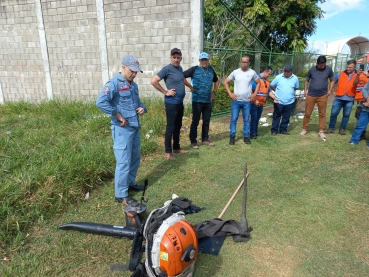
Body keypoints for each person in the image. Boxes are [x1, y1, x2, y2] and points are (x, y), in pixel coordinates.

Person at [96, 55, 147, 205]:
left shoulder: (133, 86)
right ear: (123, 67)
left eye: (136, 72)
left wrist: (142, 108)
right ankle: (121, 194)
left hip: (134, 126)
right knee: (123, 162)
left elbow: (138, 102)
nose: (134, 74)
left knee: (135, 158)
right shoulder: (113, 84)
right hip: (122, 129)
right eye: (132, 71)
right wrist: (118, 115)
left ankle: (130, 183)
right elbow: (100, 102)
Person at [151, 48, 188, 160]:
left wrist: (190, 87)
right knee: (170, 127)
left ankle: (176, 148)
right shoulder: (167, 69)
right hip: (171, 103)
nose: (176, 59)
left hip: (179, 103)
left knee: (178, 126)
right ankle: (168, 152)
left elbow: (182, 81)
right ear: (171, 58)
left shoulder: (180, 68)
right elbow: (154, 81)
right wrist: (165, 92)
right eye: (174, 57)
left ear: (181, 58)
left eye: (178, 57)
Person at [183, 52, 219, 148]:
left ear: (208, 60)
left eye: (205, 60)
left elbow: (216, 80)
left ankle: (205, 139)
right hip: (197, 101)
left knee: (206, 121)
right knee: (195, 121)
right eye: (202, 60)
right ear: (199, 61)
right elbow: (182, 76)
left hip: (207, 101)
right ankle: (193, 141)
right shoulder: (194, 69)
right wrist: (190, 86)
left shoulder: (211, 70)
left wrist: (214, 92)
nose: (204, 61)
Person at [223, 55, 260, 145]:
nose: (244, 64)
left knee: (246, 119)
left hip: (247, 101)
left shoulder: (252, 72)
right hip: (236, 101)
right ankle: (232, 137)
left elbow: (259, 82)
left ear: (249, 63)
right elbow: (225, 82)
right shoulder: (235, 72)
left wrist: (254, 94)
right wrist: (230, 93)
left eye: (246, 62)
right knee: (234, 119)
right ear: (240, 62)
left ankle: (246, 137)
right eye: (243, 62)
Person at [300, 56, 334, 140]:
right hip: (311, 95)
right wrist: (305, 90)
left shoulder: (329, 70)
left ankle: (321, 131)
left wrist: (330, 91)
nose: (322, 67)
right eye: (320, 65)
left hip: (323, 95)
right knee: (307, 113)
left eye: (323, 65)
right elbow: (307, 80)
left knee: (322, 114)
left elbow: (332, 80)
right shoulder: (312, 70)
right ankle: (304, 129)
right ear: (317, 64)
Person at [326, 59, 361, 135]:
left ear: (354, 67)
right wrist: (332, 91)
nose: (348, 69)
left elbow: (357, 84)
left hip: (350, 98)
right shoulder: (340, 74)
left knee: (346, 115)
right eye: (347, 67)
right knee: (333, 113)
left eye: (350, 67)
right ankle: (331, 128)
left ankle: (342, 129)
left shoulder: (357, 75)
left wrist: (358, 75)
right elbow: (332, 81)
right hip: (339, 98)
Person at [269, 64, 299, 135]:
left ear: (292, 71)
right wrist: (276, 91)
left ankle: (283, 129)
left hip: (289, 101)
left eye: (288, 71)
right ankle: (274, 130)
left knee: (286, 116)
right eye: (285, 71)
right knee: (276, 116)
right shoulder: (278, 77)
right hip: (279, 101)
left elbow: (295, 88)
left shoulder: (295, 78)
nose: (286, 73)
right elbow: (271, 85)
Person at [250, 65, 273, 139]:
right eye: (269, 74)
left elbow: (269, 92)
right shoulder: (256, 79)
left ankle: (255, 132)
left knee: (257, 118)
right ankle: (252, 134)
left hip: (261, 103)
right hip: (254, 103)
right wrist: (255, 100)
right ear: (265, 72)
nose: (269, 75)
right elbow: (251, 91)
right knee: (254, 118)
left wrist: (275, 98)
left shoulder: (267, 81)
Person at [347, 82, 369, 147]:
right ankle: (354, 141)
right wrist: (367, 98)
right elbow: (365, 89)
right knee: (360, 125)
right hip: (366, 109)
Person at [353, 69, 369, 140]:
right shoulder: (361, 74)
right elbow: (355, 84)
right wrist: (358, 75)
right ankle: (360, 134)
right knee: (359, 116)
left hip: (365, 100)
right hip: (361, 99)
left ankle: (362, 134)